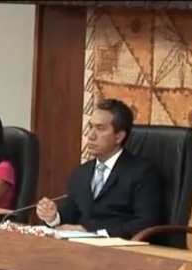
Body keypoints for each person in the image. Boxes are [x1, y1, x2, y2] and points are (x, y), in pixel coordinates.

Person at [36, 98, 163, 238]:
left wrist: (95, 234)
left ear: (119, 137)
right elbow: (69, 215)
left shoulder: (142, 172)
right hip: (80, 248)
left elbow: (144, 222)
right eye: (91, 127)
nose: (91, 135)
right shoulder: (80, 173)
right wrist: (53, 217)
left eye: (100, 128)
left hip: (120, 248)